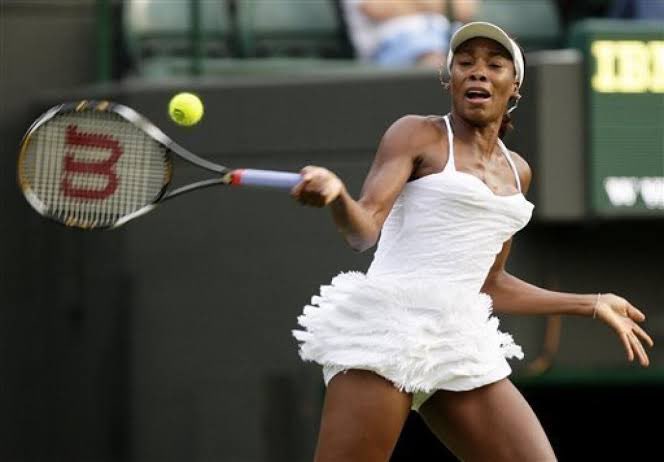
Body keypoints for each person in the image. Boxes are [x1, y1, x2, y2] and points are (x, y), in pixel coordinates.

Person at [291, 21, 654, 462]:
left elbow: (490, 284)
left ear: (514, 86)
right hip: (385, 331)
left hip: (458, 343)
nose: (478, 72)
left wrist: (590, 303)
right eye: (465, 63)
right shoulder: (416, 134)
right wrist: (338, 198)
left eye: (494, 64)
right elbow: (363, 230)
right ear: (451, 79)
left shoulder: (517, 172)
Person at [341, 0, 479, 68]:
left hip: (446, 34)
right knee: (434, 62)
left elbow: (464, 8)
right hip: (387, 47)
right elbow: (378, 7)